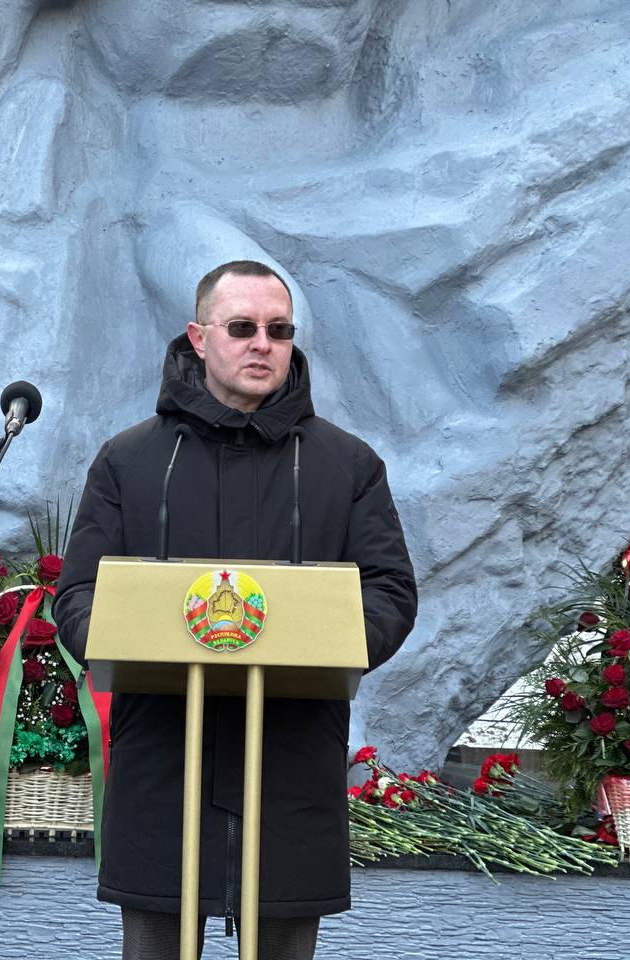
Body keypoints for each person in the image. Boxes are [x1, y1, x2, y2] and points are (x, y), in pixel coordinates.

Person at [53, 260, 418, 960]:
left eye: (279, 331)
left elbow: (390, 592)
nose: (263, 344)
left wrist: (327, 638)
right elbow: (79, 595)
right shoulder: (128, 462)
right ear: (198, 336)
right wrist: (129, 632)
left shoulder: (348, 466)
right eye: (243, 327)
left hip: (289, 773)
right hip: (164, 770)